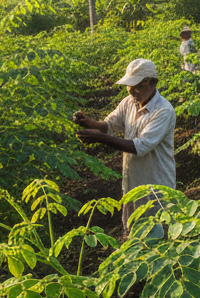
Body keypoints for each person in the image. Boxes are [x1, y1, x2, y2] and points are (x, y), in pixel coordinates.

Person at [74, 58, 176, 235]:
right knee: (134, 233)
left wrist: (100, 138)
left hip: (156, 184)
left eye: (137, 85)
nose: (132, 90)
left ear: (152, 83)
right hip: (132, 181)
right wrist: (88, 123)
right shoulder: (129, 102)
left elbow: (140, 147)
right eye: (129, 85)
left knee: (156, 236)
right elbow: (110, 125)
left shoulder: (163, 111)